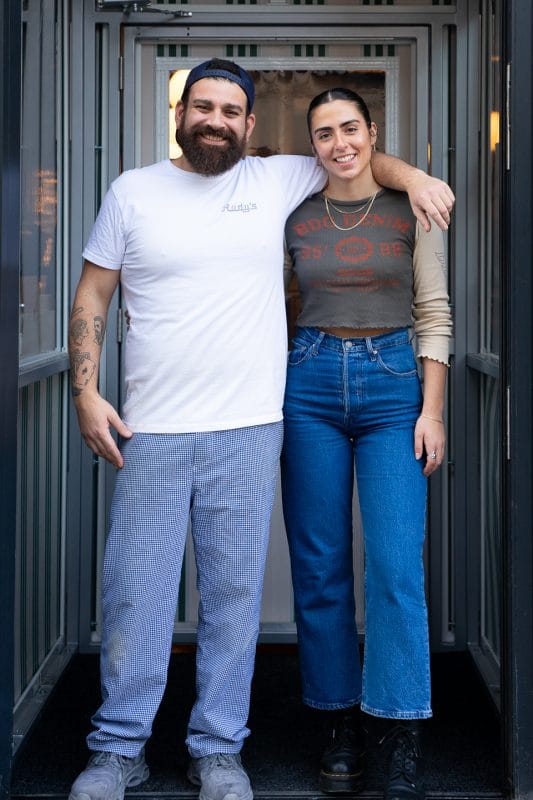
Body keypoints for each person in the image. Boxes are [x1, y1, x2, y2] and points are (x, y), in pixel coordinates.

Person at [67, 59, 454, 800]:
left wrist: (418, 178)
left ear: (250, 124)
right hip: (169, 421)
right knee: (139, 592)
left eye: (231, 110)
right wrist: (87, 394)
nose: (215, 119)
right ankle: (120, 748)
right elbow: (92, 292)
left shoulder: (279, 181)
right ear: (182, 112)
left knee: (255, 594)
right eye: (202, 106)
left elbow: (359, 161)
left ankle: (232, 747)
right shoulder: (135, 192)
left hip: (270, 418)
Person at [281, 87, 452, 800]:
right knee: (319, 567)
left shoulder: (412, 205)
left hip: (391, 387)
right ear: (311, 144)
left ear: (370, 131)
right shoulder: (289, 212)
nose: (338, 143)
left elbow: (433, 310)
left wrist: (431, 410)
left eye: (349, 128)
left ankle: (398, 725)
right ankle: (339, 722)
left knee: (392, 565)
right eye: (323, 133)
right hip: (308, 384)